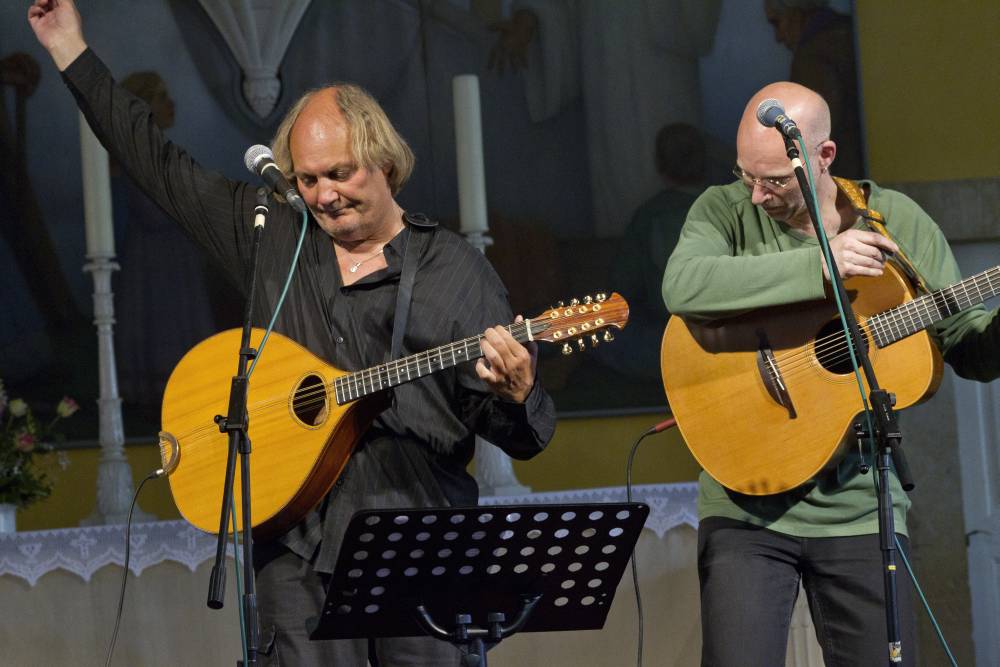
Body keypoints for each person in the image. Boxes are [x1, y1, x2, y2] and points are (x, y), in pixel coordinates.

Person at [28, 1, 557, 664]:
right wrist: (69, 49)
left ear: (384, 161)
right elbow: (154, 163)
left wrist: (517, 393)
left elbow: (520, 434)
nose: (325, 195)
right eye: (308, 179)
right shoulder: (272, 235)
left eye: (340, 174)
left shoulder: (454, 269)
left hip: (421, 549)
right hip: (297, 549)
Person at [662, 81, 1000, 666]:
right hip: (745, 502)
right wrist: (820, 264)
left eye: (774, 180)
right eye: (746, 174)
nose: (757, 194)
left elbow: (967, 346)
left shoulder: (896, 220)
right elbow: (683, 285)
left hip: (861, 507)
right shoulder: (724, 209)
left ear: (823, 156)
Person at [605, 122, 707, 381]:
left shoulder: (650, 216)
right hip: (730, 340)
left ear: (659, 164)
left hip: (667, 343)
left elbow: (623, 288)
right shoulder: (732, 207)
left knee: (596, 332)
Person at [764, 0, 864, 178]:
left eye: (777, 22)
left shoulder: (812, 59)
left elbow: (811, 139)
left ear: (796, 12)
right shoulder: (855, 34)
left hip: (844, 178)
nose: (778, 38)